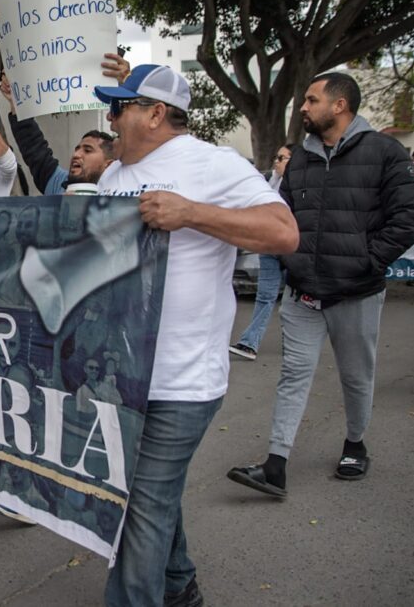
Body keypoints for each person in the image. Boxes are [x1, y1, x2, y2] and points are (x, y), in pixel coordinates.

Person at [92, 64, 299, 607]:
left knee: (141, 505)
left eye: (119, 108)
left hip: (183, 380)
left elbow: (283, 232)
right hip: (123, 374)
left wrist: (191, 213)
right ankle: (179, 585)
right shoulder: (113, 175)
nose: (110, 119)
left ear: (155, 114)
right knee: (147, 495)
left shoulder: (213, 163)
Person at [227, 72, 414, 499]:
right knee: (293, 376)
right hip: (302, 292)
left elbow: (410, 220)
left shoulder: (386, 153)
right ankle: (275, 466)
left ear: (339, 105)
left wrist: (366, 263)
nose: (302, 107)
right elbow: (285, 217)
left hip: (357, 292)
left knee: (356, 377)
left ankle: (355, 445)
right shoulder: (300, 158)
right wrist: (290, 261)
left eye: (311, 99)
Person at [0, 53, 128, 195]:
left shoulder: (123, 191)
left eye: (88, 150)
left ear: (108, 164)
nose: (77, 154)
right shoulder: (58, 185)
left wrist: (127, 82)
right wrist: (17, 104)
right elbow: (34, 149)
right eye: (77, 149)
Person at [228, 145, 292, 360]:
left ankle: (297, 344)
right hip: (269, 248)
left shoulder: (302, 186)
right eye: (277, 156)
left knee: (296, 302)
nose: (276, 161)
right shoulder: (270, 183)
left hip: (293, 250)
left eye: (281, 158)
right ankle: (249, 343)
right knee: (265, 297)